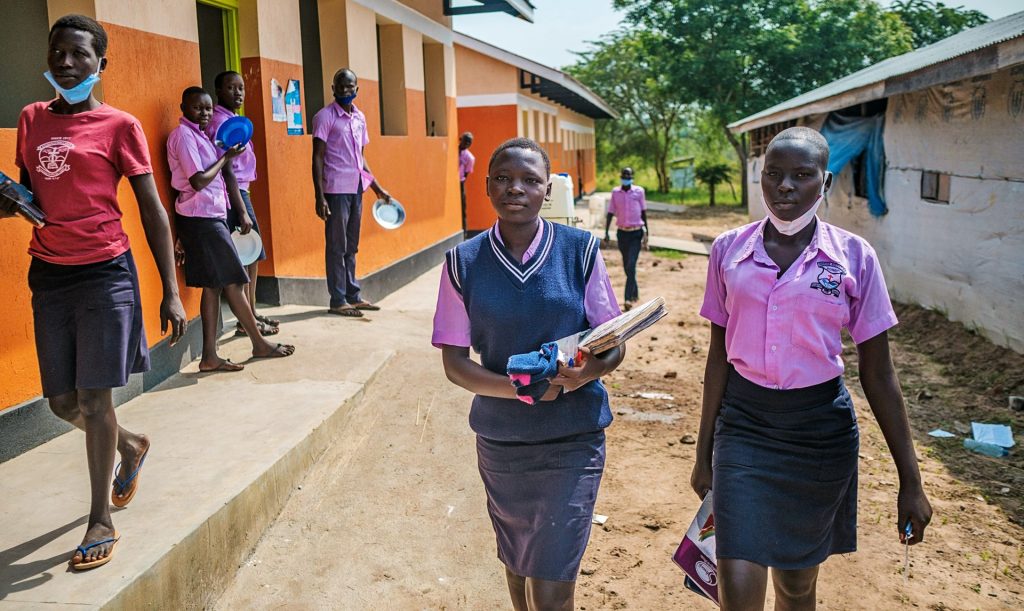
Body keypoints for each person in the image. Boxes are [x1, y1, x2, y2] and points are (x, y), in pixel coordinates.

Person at [691, 127, 932, 610]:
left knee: (797, 585)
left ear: (824, 182)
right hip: (744, 427)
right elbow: (718, 354)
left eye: (802, 176)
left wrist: (912, 480)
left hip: (819, 435)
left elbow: (879, 373)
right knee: (735, 582)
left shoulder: (854, 257)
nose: (784, 187)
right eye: (773, 175)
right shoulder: (729, 251)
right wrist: (704, 452)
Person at [0, 14, 187, 570]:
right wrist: (11, 202)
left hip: (105, 273)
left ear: (100, 65)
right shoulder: (31, 119)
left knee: (93, 399)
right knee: (62, 403)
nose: (66, 62)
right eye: (58, 52)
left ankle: (99, 518)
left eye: (80, 54)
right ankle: (130, 445)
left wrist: (171, 291)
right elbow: (34, 190)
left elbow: (152, 209)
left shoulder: (119, 125)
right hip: (49, 274)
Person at [433, 137, 626, 611]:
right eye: (502, 178)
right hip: (503, 443)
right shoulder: (463, 263)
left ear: (548, 190)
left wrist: (585, 375)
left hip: (573, 436)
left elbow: (612, 341)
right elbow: (455, 364)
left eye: (529, 180)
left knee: (552, 578)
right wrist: (521, 390)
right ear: (486, 187)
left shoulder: (580, 251)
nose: (515, 188)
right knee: (518, 560)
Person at [168, 87, 294, 372]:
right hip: (201, 219)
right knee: (234, 282)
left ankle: (209, 357)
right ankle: (258, 342)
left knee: (213, 287)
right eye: (198, 108)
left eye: (208, 109)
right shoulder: (183, 136)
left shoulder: (202, 135)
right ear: (183, 108)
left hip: (210, 215)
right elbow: (198, 181)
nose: (204, 113)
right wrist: (225, 157)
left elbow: (219, 180)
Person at [311, 68, 391, 317]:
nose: (346, 91)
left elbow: (361, 159)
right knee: (336, 245)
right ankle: (337, 299)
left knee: (351, 245)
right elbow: (317, 157)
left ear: (357, 89)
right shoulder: (324, 117)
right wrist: (319, 195)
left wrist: (377, 187)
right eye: (341, 86)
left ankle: (353, 295)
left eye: (350, 86)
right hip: (335, 190)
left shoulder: (359, 118)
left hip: (357, 188)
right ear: (333, 88)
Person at [206, 70, 278, 337]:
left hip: (243, 191)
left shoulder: (234, 119)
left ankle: (253, 310)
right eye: (231, 88)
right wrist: (240, 210)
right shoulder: (218, 123)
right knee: (247, 253)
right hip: (233, 195)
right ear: (219, 91)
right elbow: (226, 170)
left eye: (241, 88)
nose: (237, 93)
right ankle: (246, 320)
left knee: (253, 254)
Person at [604, 167, 647, 310]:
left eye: (629, 175)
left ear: (632, 176)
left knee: (631, 265)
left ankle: (628, 298)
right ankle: (635, 292)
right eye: (624, 174)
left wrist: (648, 235)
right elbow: (610, 213)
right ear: (621, 176)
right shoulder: (616, 193)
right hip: (622, 234)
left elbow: (643, 213)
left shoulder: (639, 191)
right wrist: (606, 232)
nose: (626, 176)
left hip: (636, 233)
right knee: (627, 266)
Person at [458, 131, 475, 230]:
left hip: (460, 183)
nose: (467, 144)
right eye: (466, 141)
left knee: (462, 208)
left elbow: (466, 173)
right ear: (461, 139)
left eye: (470, 142)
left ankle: (464, 231)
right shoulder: (453, 151)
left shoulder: (470, 158)